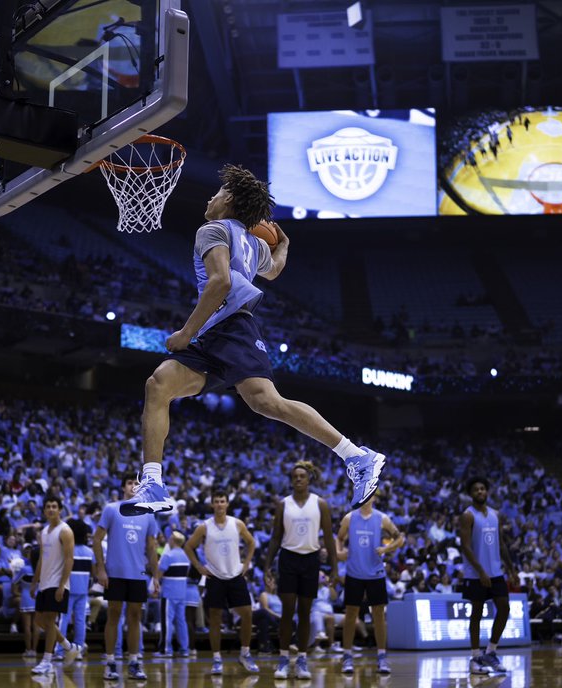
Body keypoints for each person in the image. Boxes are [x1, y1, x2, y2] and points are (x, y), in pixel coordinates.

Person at [120, 164, 385, 517]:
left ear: (228, 200)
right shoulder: (252, 242)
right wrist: (284, 246)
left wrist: (185, 333)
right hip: (217, 332)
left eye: (217, 193)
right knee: (159, 385)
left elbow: (220, 284)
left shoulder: (212, 230)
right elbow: (273, 270)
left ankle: (357, 456)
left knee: (268, 403)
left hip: (229, 327)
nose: (210, 198)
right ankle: (152, 483)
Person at [263, 460, 336, 680]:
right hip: (288, 559)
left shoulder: (320, 504)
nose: (298, 479)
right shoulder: (283, 504)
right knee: (287, 611)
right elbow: (276, 537)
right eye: (295, 476)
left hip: (311, 560)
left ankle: (302, 659)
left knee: (305, 612)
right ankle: (284, 658)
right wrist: (267, 565)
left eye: (302, 476)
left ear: (309, 479)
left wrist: (334, 567)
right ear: (291, 480)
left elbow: (328, 537)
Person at [184, 490, 259, 676]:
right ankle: (217, 659)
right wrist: (199, 567)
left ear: (227, 504)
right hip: (215, 576)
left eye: (222, 501)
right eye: (216, 501)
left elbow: (251, 543)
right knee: (215, 618)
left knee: (247, 614)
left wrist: (247, 563)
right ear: (212, 505)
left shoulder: (237, 524)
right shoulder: (204, 527)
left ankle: (245, 653)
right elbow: (188, 547)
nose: (219, 504)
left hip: (235, 575)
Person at [94, 473, 160, 681]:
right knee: (113, 616)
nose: (134, 486)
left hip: (138, 575)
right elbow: (97, 540)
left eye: (137, 484)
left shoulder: (149, 514)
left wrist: (156, 576)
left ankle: (133, 662)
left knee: (135, 617)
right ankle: (111, 662)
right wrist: (101, 569)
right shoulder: (112, 509)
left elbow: (151, 548)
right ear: (123, 487)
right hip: (114, 573)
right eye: (130, 483)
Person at [336, 493, 403, 675]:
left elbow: (400, 538)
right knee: (351, 615)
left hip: (376, 574)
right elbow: (339, 538)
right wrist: (339, 552)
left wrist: (386, 548)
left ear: (373, 497)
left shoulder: (383, 518)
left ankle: (382, 657)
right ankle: (347, 656)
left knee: (379, 617)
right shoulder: (349, 518)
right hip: (354, 573)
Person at [459, 477, 515, 675]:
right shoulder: (467, 516)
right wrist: (481, 571)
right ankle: (475, 657)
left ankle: (491, 652)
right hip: (476, 574)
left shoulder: (495, 514)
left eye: (483, 489)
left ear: (487, 492)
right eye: (476, 489)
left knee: (504, 608)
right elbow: (465, 546)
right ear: (470, 493)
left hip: (496, 572)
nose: (480, 492)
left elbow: (501, 544)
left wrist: (511, 569)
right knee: (476, 614)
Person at [30, 496, 80, 676]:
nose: (51, 509)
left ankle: (46, 661)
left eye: (54, 506)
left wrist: (61, 585)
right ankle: (69, 646)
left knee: (49, 622)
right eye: (48, 507)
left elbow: (69, 559)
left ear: (60, 510)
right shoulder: (43, 532)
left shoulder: (65, 531)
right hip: (44, 583)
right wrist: (34, 582)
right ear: (44, 511)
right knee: (39, 621)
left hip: (57, 583)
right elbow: (42, 559)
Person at [57, 518, 92, 659]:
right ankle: (78, 650)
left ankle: (59, 651)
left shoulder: (66, 550)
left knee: (63, 620)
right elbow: (93, 573)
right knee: (80, 620)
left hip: (68, 588)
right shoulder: (90, 552)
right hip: (83, 590)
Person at [155, 532, 190, 659]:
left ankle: (166, 649)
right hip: (182, 592)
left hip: (169, 592)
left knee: (167, 621)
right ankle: (184, 649)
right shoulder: (186, 556)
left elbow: (159, 574)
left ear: (173, 540)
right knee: (181, 621)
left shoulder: (167, 555)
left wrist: (155, 584)